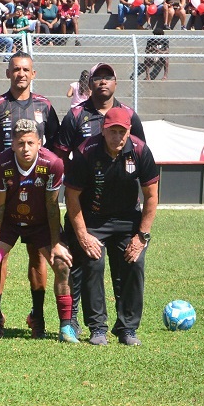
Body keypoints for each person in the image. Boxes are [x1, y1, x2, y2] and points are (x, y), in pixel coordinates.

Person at [55, 62, 146, 335]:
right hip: (83, 206)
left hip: (122, 208)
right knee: (81, 265)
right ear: (90, 83)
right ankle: (72, 319)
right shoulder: (75, 116)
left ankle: (123, 326)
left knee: (124, 266)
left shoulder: (130, 115)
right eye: (98, 77)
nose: (103, 82)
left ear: (116, 83)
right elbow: (59, 159)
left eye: (108, 77)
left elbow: (139, 156)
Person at [0, 119, 78, 343]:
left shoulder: (53, 164)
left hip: (40, 223)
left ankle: (66, 327)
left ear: (40, 143)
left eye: (31, 142)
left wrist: (57, 243)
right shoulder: (1, 163)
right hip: (9, 222)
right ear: (12, 144)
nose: (26, 148)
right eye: (21, 143)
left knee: (62, 264)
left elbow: (52, 206)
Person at [0, 52, 59, 338]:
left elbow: (57, 144)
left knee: (39, 255)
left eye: (25, 69)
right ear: (8, 73)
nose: (20, 74)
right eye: (15, 70)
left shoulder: (45, 106)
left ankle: (37, 317)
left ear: (33, 74)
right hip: (5, 189)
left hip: (36, 191)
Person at [64, 107, 159, 346]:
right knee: (94, 263)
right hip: (93, 219)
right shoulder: (86, 152)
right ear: (103, 131)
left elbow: (151, 196)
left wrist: (141, 236)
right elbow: (72, 197)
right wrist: (84, 235)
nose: (117, 137)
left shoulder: (140, 151)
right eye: (112, 131)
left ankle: (127, 328)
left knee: (134, 263)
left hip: (128, 220)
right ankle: (97, 328)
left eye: (122, 132)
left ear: (128, 131)